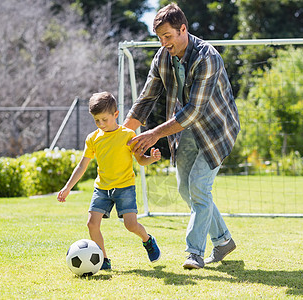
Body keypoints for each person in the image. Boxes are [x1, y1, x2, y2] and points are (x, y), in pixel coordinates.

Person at [123, 3, 240, 269]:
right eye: (160, 38)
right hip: (186, 130)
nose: (164, 43)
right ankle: (223, 241)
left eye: (168, 36)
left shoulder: (207, 57)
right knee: (185, 189)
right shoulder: (163, 56)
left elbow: (193, 111)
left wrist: (153, 134)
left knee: (199, 187)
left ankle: (194, 253)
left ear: (183, 29)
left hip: (217, 129)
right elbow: (146, 99)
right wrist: (121, 135)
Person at [58, 91, 161, 270]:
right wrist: (67, 188)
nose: (100, 124)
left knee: (131, 225)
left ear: (116, 115)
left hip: (125, 187)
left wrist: (151, 158)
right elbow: (82, 166)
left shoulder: (128, 135)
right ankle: (103, 259)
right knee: (91, 224)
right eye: (97, 120)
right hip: (102, 188)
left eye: (104, 119)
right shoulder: (93, 138)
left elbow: (141, 160)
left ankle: (148, 240)